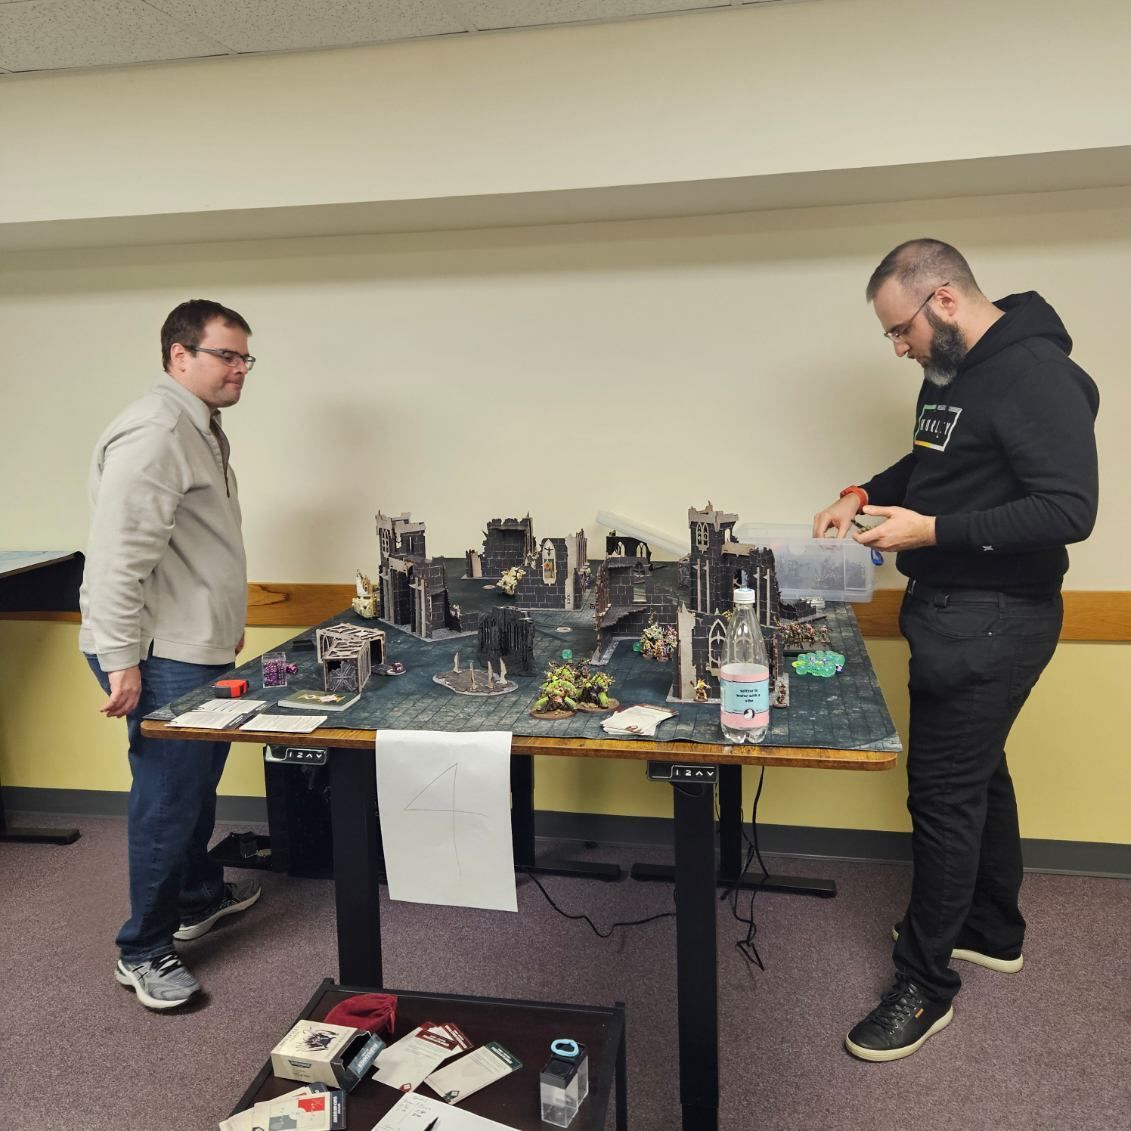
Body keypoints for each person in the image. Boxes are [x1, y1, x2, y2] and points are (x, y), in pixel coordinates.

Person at [813, 239, 1099, 1062]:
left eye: (899, 330)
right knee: (978, 774)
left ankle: (924, 985)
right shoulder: (956, 378)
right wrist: (863, 492)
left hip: (993, 616)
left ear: (942, 300)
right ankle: (989, 925)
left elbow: (1067, 509)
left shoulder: (1035, 374)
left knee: (941, 797)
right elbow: (933, 462)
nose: (897, 348)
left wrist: (931, 531)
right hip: (949, 609)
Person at [80, 299, 263, 1010]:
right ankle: (144, 950)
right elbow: (117, 560)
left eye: (246, 358)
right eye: (226, 355)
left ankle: (195, 898)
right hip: (155, 654)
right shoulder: (157, 432)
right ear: (179, 356)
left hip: (191, 642)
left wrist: (221, 621)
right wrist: (123, 658)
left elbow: (192, 547)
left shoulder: (201, 428)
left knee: (194, 786)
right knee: (168, 799)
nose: (240, 369)